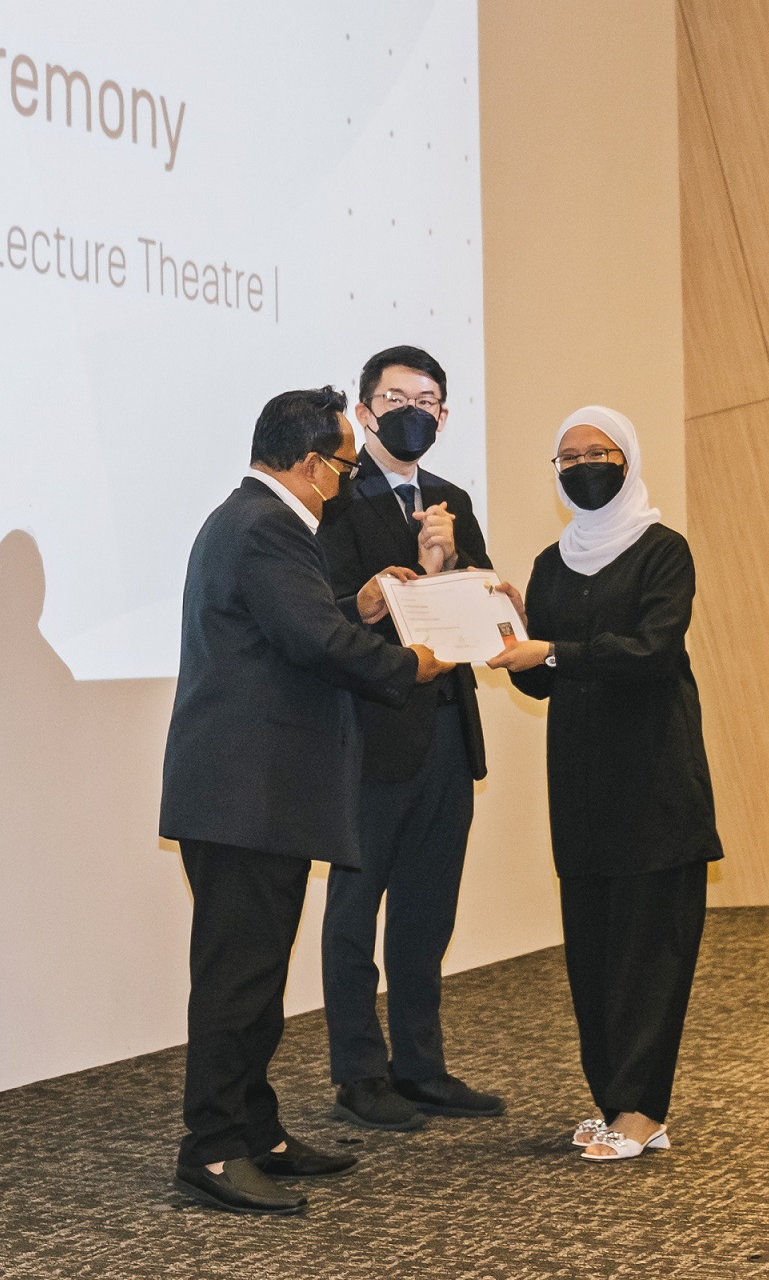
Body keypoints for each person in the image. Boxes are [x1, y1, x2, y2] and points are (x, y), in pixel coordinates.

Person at [158, 386, 453, 1215]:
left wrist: (361, 605)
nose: (346, 482)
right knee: (235, 982)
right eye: (345, 466)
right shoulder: (265, 525)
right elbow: (314, 643)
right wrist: (411, 664)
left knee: (256, 975)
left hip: (257, 795)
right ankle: (213, 1150)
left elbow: (294, 627)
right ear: (311, 461)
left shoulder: (257, 523)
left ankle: (257, 1132)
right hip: (243, 797)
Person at [488, 405, 721, 1163]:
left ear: (629, 458)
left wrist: (553, 648)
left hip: (655, 783)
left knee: (650, 954)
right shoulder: (552, 565)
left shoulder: (663, 551)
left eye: (600, 451)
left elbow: (651, 651)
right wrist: (520, 644)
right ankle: (614, 1102)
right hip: (583, 789)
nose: (584, 465)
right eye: (569, 457)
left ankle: (644, 1109)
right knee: (592, 954)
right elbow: (542, 686)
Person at [316, 345, 504, 1130]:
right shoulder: (332, 499)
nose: (412, 412)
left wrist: (449, 563)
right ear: (364, 412)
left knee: (428, 911)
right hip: (369, 740)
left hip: (448, 739)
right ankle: (360, 1074)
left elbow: (487, 620)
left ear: (445, 416)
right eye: (396, 398)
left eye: (427, 401)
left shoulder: (452, 500)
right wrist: (402, 580)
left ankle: (421, 1065)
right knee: (355, 912)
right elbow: (324, 617)